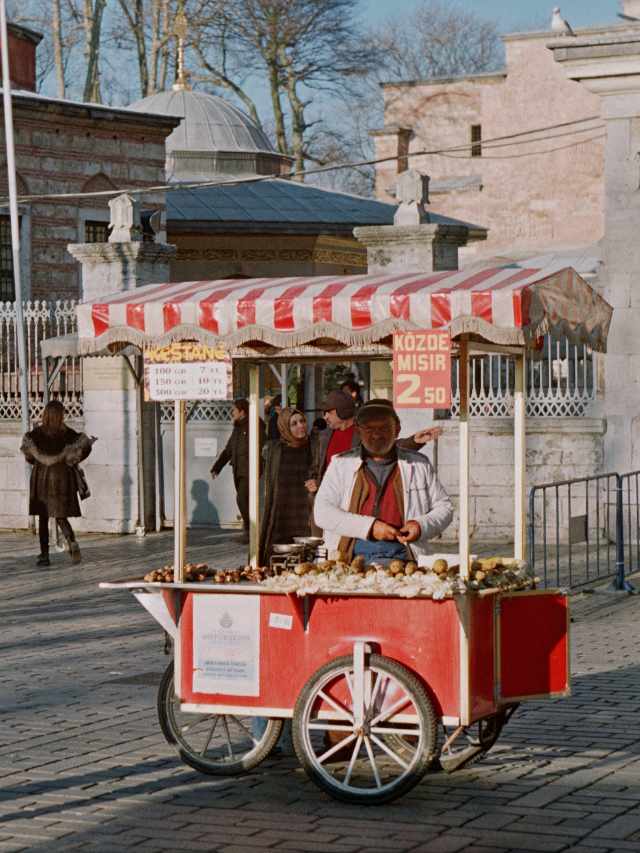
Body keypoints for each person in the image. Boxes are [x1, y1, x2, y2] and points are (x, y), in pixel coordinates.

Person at [314, 399, 453, 564]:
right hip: (352, 558)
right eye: (369, 428)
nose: (376, 434)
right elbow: (322, 512)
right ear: (358, 431)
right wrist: (370, 527)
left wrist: (420, 526)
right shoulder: (341, 464)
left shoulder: (419, 464)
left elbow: (445, 507)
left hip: (405, 556)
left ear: (397, 430)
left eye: (384, 428)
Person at [20, 399, 95, 566]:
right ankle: (72, 542)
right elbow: (85, 446)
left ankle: (44, 555)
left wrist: (38, 461)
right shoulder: (68, 433)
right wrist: (71, 459)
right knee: (60, 515)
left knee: (43, 517)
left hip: (41, 478)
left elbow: (28, 456)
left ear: (45, 414)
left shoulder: (36, 434)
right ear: (61, 415)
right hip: (62, 477)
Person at [313, 390, 442, 485]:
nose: (325, 417)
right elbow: (316, 466)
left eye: (328, 412)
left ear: (342, 410)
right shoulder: (324, 436)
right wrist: (314, 481)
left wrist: (414, 441)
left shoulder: (364, 430)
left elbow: (390, 446)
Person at [259, 407, 318, 566]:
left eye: (302, 421)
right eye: (294, 423)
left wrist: (316, 482)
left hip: (304, 510)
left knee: (306, 555)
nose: (301, 426)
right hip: (282, 510)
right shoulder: (276, 449)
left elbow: (320, 470)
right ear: (285, 427)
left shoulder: (314, 445)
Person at [210, 398, 265, 543]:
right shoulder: (238, 427)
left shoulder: (255, 424)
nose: (232, 412)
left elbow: (262, 446)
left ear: (242, 411)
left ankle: (251, 532)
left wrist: (260, 465)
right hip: (239, 470)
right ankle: (250, 531)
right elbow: (229, 449)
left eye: (234, 410)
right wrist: (217, 467)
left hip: (250, 470)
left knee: (242, 499)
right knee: (244, 500)